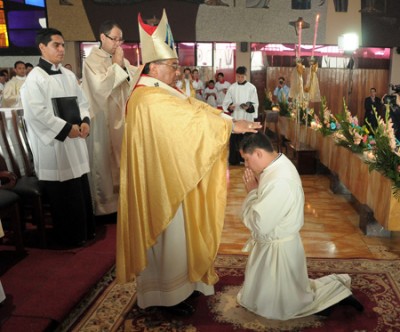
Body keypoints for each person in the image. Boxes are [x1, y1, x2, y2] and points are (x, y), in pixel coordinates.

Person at [116, 9, 261, 317]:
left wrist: (230, 120)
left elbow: (195, 109)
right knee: (169, 240)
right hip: (162, 184)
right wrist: (230, 126)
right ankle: (166, 296)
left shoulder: (163, 91)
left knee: (181, 239)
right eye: (172, 66)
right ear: (153, 68)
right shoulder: (146, 97)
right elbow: (188, 119)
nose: (178, 71)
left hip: (176, 175)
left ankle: (185, 285)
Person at [237, 133, 364, 320]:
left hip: (278, 249)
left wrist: (252, 193)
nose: (246, 165)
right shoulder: (276, 165)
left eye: (246, 159)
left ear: (258, 153)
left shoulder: (279, 180)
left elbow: (260, 224)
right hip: (278, 244)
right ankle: (331, 293)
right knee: (283, 293)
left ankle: (336, 295)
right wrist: (256, 193)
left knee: (285, 306)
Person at [20, 28, 95, 247]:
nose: (62, 49)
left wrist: (84, 122)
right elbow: (37, 113)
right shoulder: (34, 79)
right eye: (56, 45)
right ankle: (69, 237)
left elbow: (82, 102)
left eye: (63, 45)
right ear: (42, 47)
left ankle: (85, 231)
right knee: (64, 191)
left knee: (79, 186)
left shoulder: (68, 75)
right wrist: (65, 129)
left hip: (74, 139)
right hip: (55, 145)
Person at [82, 20, 135, 221]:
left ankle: (123, 204)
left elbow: (132, 77)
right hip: (102, 119)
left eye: (121, 39)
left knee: (121, 160)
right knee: (103, 161)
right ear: (102, 37)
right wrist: (116, 66)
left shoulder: (119, 58)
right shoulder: (91, 61)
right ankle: (105, 209)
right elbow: (99, 88)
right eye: (114, 39)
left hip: (119, 119)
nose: (118, 43)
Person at [223, 66, 259, 165]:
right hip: (236, 116)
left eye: (242, 77)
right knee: (235, 139)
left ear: (246, 76)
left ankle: (246, 159)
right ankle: (234, 160)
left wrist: (248, 107)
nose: (240, 79)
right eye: (238, 77)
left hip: (247, 117)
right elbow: (226, 103)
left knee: (247, 139)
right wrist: (230, 107)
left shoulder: (251, 88)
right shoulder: (232, 87)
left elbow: (255, 104)